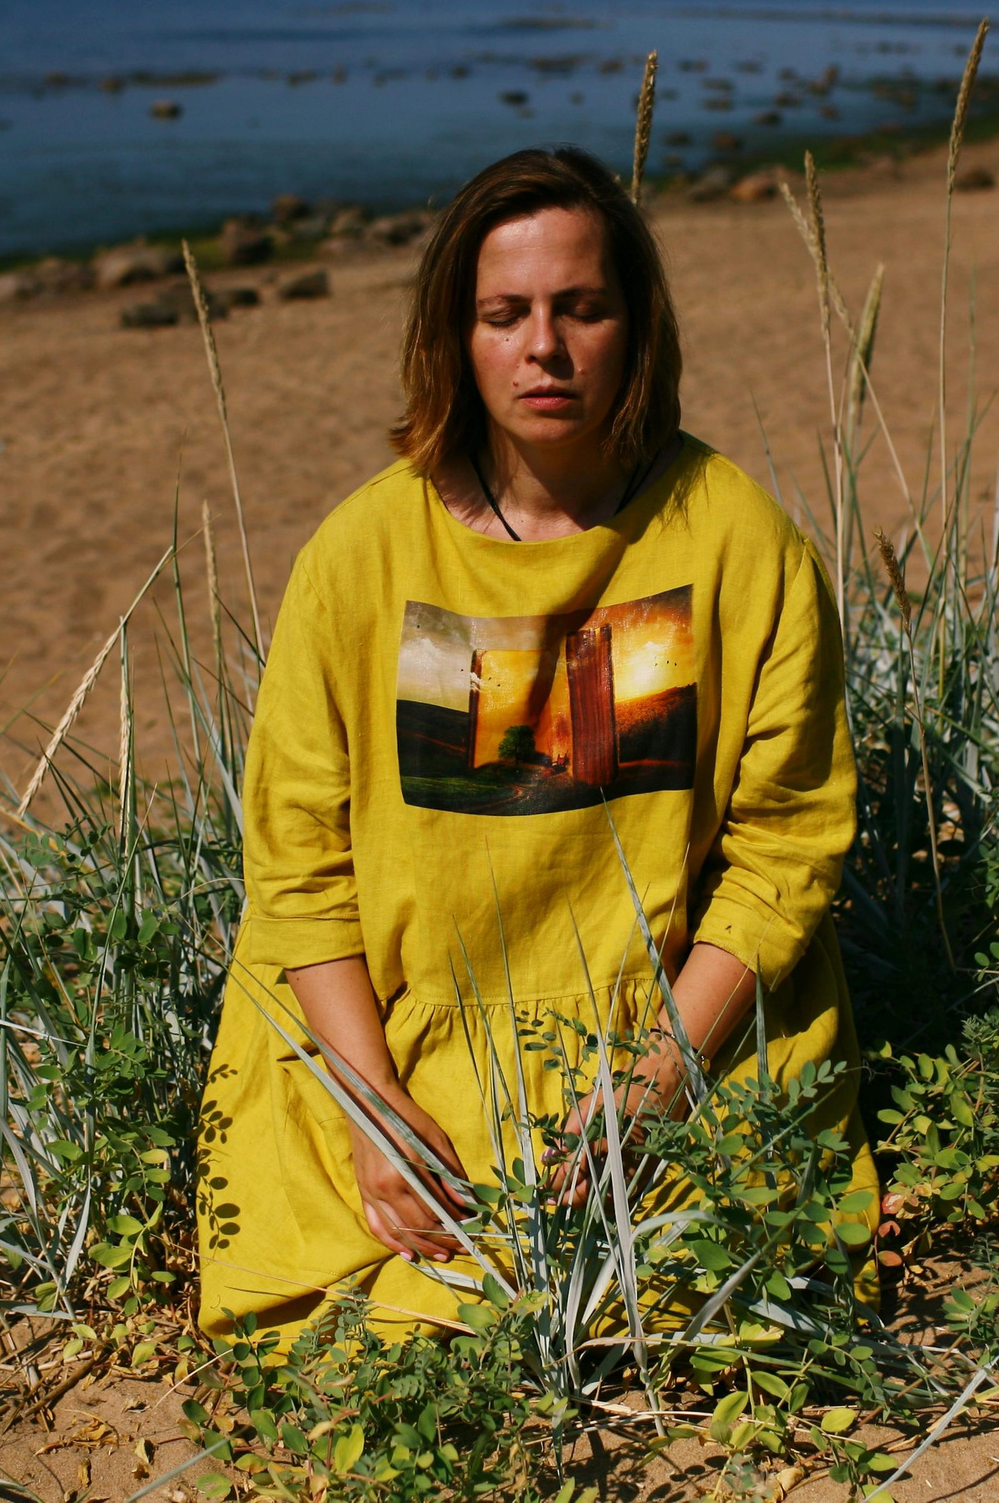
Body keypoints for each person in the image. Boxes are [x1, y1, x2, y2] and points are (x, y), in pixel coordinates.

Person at [195, 144, 875, 1339]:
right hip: (391, 1031)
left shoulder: (738, 541)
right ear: (455, 338)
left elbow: (786, 853)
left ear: (636, 324)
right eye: (504, 315)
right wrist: (375, 1115)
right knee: (376, 1322)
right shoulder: (361, 554)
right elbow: (297, 868)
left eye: (581, 308)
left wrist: (657, 1083)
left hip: (666, 1026)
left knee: (707, 1296)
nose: (543, 349)